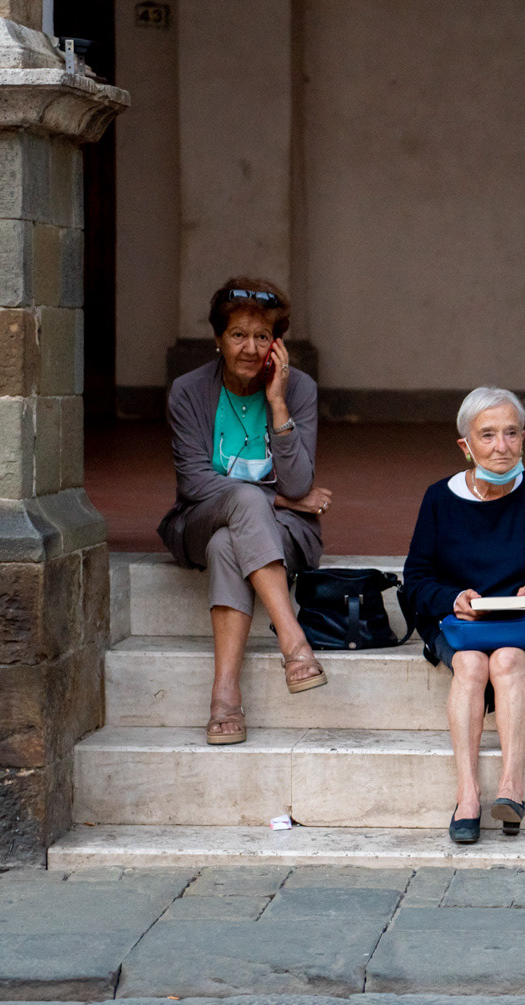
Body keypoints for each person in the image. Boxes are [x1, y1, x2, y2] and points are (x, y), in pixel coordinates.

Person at [403, 387, 525, 845]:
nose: (501, 446)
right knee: (469, 663)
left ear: (523, 438)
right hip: (460, 623)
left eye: (510, 433)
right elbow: (416, 577)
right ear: (466, 445)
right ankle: (468, 796)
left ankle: (511, 787)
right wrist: (452, 599)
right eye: (487, 435)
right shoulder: (438, 499)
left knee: (506, 659)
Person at [158, 278, 333, 746]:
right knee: (237, 510)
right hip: (201, 517)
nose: (250, 348)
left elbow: (298, 478)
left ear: (277, 343)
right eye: (238, 335)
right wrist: (279, 498)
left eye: (262, 336)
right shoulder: (188, 392)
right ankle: (294, 643)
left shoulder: (300, 389)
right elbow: (195, 482)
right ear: (218, 339)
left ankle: (225, 696)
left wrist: (277, 403)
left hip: (282, 534)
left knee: (225, 544)